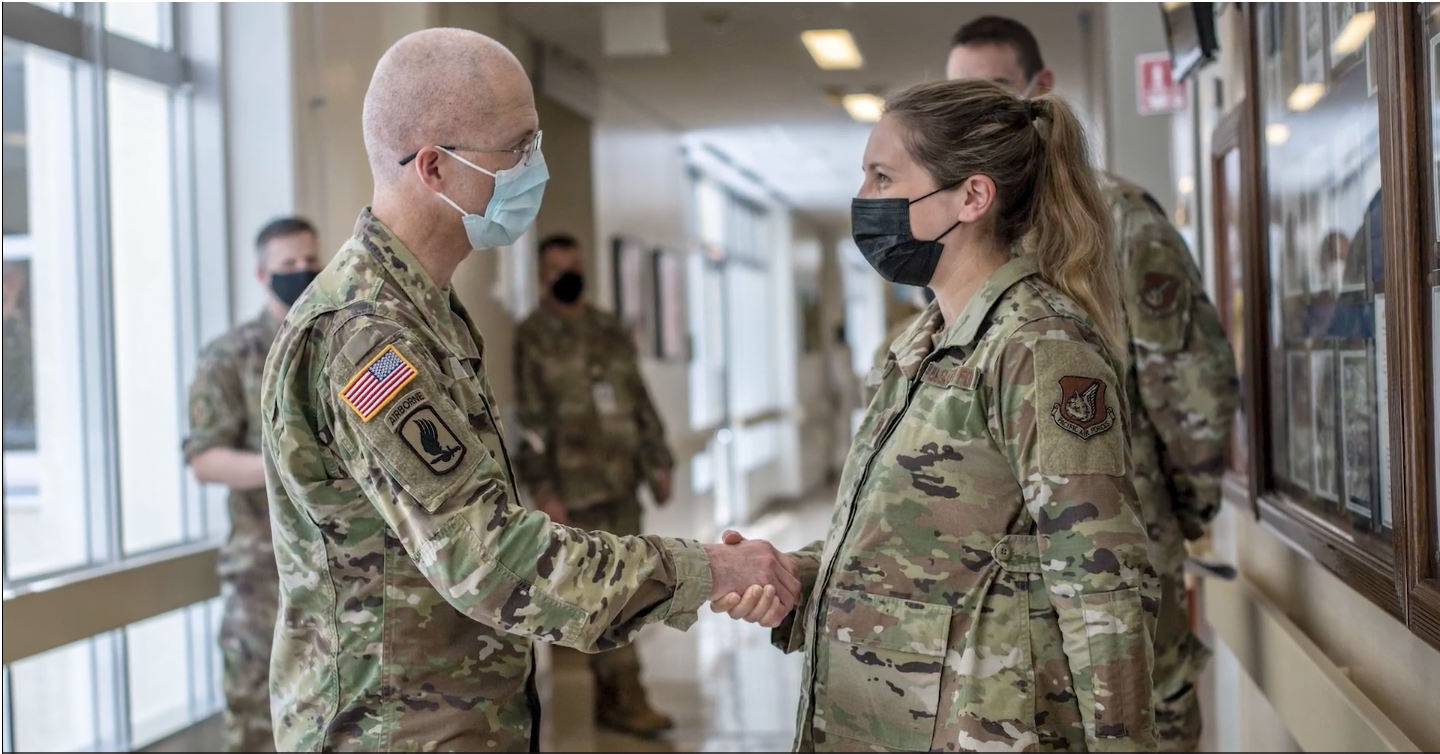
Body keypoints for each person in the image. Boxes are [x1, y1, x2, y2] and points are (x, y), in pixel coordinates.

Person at [260, 28, 799, 752]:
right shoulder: (368, 336)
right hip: (390, 730)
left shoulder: (425, 311)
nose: (533, 169)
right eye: (516, 150)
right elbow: (493, 561)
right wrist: (707, 568)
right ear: (434, 169)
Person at [720, 78, 1160, 751]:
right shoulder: (920, 345)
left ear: (973, 197)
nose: (864, 200)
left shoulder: (1039, 349)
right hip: (883, 720)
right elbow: (925, 548)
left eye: (882, 175)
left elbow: (1100, 588)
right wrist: (796, 574)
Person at [946, 17, 1241, 751]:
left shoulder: (1118, 221)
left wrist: (1180, 511)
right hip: (1007, 576)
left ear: (1041, 92)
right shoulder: (968, 231)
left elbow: (1193, 386)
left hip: (1120, 550)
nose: (977, 119)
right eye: (961, 99)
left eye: (994, 94)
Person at [513, 233, 677, 736]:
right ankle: (622, 698)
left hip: (620, 482)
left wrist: (659, 460)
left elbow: (638, 397)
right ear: (540, 277)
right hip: (573, 492)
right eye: (556, 268)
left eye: (574, 265)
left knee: (630, 590)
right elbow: (529, 423)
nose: (568, 274)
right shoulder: (533, 336)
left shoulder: (608, 328)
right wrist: (544, 491)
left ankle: (622, 696)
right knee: (594, 596)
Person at [184, 216, 322, 753]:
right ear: (262, 273)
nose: (302, 272)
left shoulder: (337, 341)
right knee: (257, 719)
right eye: (288, 265)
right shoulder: (231, 354)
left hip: (343, 564)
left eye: (310, 261)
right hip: (262, 571)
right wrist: (289, 464)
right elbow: (204, 459)